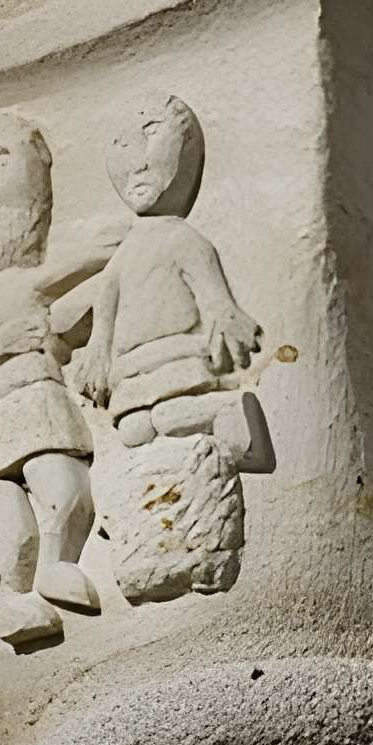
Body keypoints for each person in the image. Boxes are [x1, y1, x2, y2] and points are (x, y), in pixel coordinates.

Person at [0, 110, 123, 647]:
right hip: (0, 416)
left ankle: (51, 572)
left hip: (35, 405)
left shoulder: (15, 288)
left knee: (66, 495)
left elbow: (68, 310)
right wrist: (111, 248)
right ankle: (18, 598)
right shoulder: (1, 291)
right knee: (21, 529)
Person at [71, 94, 270, 471]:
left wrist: (226, 320)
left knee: (174, 413)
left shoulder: (184, 239)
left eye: (151, 134)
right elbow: (105, 306)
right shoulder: (122, 255)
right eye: (123, 145)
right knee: (134, 429)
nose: (138, 162)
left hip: (176, 358)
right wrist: (97, 353)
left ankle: (236, 427)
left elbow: (215, 298)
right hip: (132, 372)